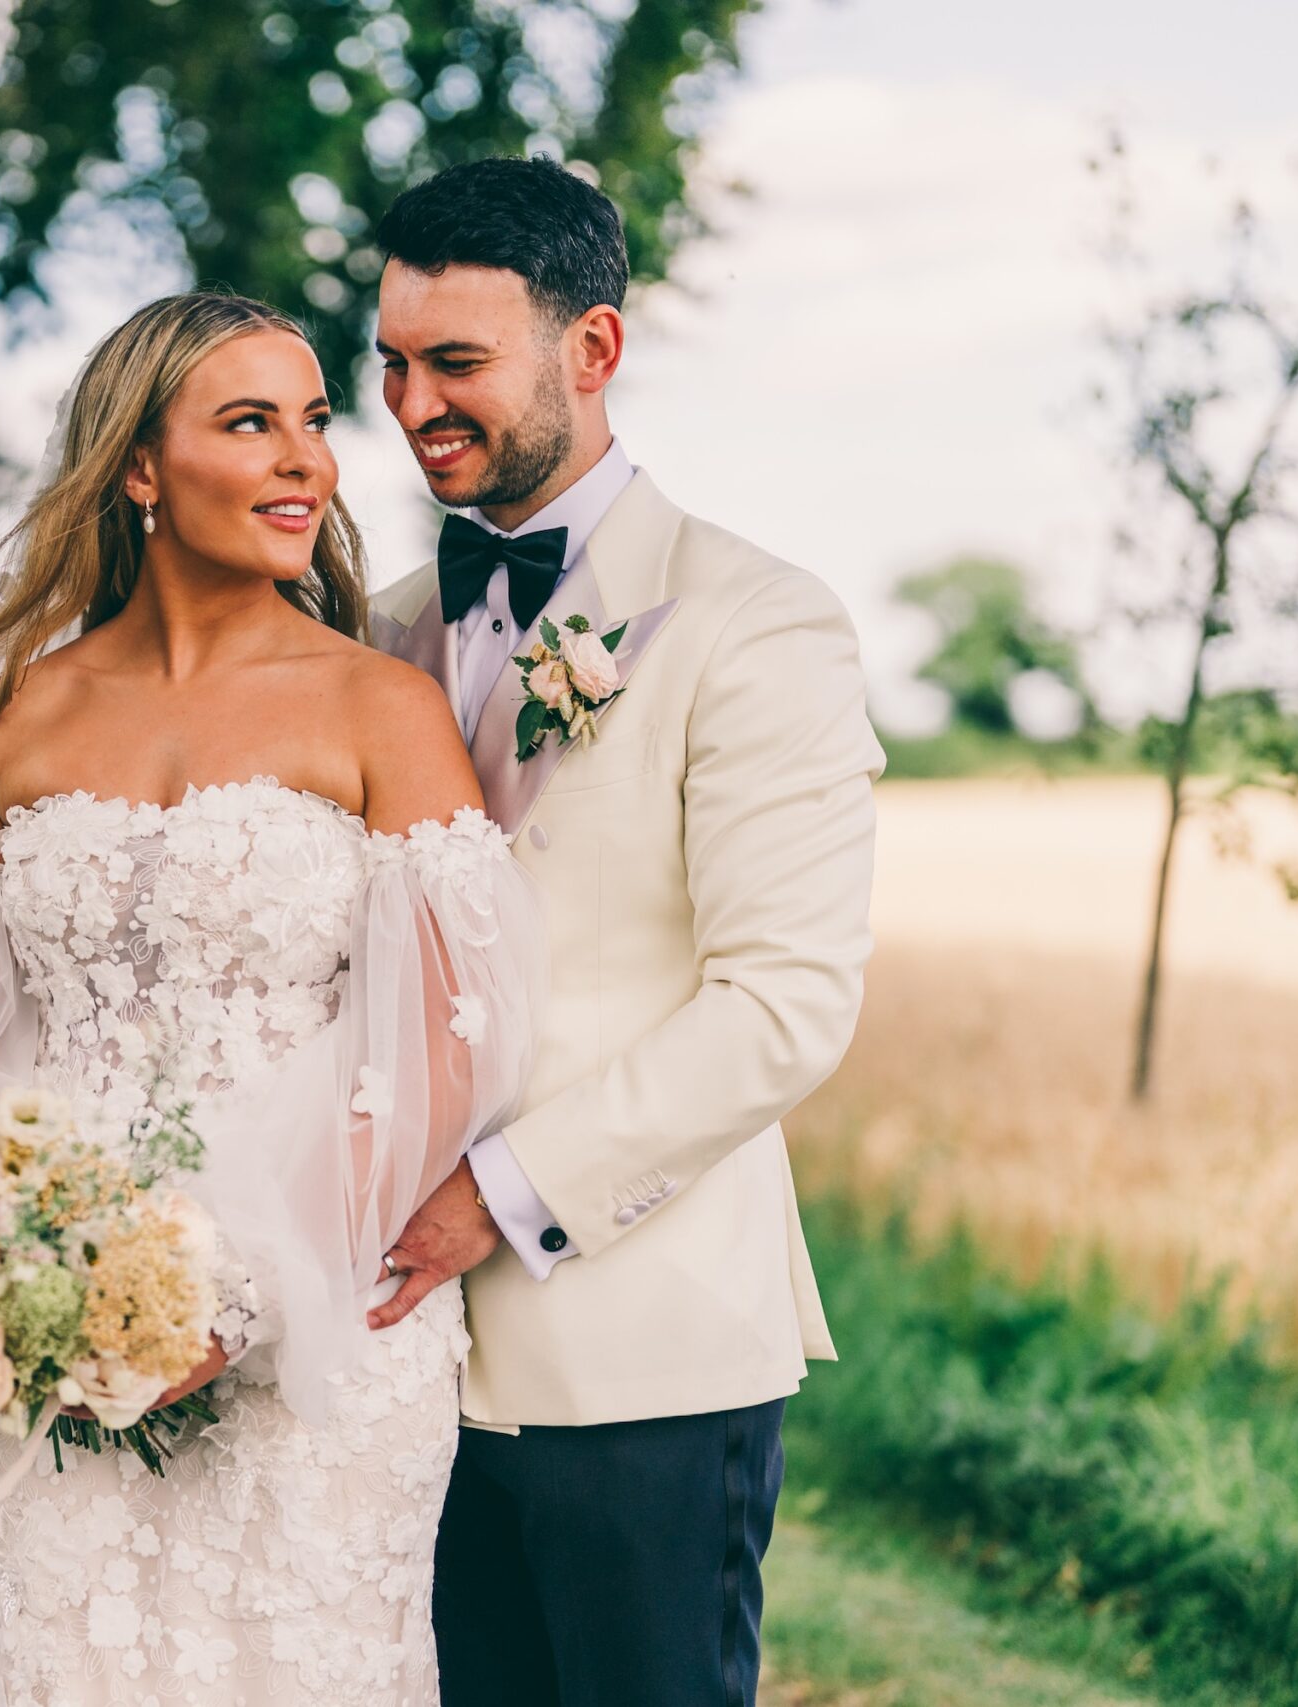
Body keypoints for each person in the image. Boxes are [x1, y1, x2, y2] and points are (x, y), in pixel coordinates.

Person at [0, 290, 549, 1707]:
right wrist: (5, 1280)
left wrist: (234, 1300)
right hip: (54, 1329)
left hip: (325, 1333)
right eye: (249, 422)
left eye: (314, 422)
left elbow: (450, 1048)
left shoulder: (379, 708)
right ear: (139, 468)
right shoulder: (11, 726)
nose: (305, 461)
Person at [361, 156, 886, 1707]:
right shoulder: (376, 627)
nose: (412, 403)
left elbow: (781, 1006)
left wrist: (492, 1199)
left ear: (591, 351)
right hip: (394, 1365)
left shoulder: (756, 619)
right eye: (391, 361)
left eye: (456, 363)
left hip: (642, 1360)